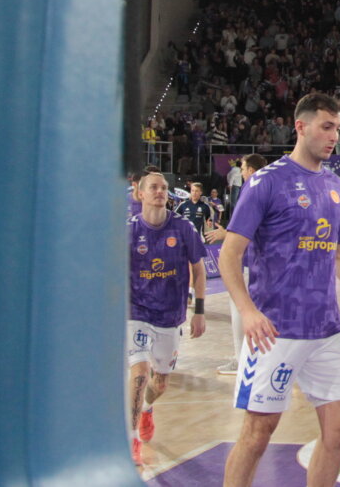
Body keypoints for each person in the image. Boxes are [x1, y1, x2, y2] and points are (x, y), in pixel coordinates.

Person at [218, 92, 340, 487]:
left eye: (338, 128)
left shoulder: (335, 185)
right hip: (275, 330)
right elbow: (229, 256)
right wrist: (248, 311)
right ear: (300, 126)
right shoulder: (267, 182)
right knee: (257, 434)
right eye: (326, 127)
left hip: (326, 330)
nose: (334, 136)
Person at [127, 170, 206, 466]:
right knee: (140, 372)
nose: (160, 191)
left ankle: (147, 409)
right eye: (154, 187)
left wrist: (199, 310)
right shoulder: (129, 230)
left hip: (171, 315)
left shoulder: (183, 228)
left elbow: (198, 269)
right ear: (141, 194)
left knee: (159, 383)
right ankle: (131, 437)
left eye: (164, 187)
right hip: (136, 312)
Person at [207, 154, 268, 376]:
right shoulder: (272, 188)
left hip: (251, 262)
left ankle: (241, 358)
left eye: (243, 168)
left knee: (240, 308)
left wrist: (226, 234)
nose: (241, 173)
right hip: (263, 263)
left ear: (251, 170)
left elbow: (247, 230)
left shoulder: (252, 189)